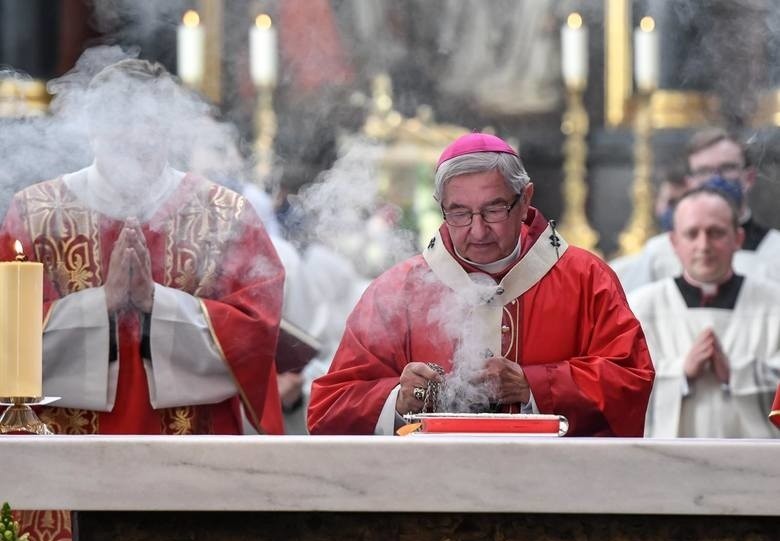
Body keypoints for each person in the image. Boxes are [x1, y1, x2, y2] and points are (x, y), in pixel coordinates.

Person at [0, 58, 285, 436]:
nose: (136, 138)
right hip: (60, 452)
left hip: (194, 455)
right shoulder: (37, 214)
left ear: (170, 130)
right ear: (93, 129)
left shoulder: (223, 216)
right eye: (121, 123)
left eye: (149, 124)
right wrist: (102, 302)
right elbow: (7, 341)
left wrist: (157, 302)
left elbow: (256, 337)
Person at [307, 133, 654, 436]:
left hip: (552, 492)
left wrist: (534, 386)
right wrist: (397, 397)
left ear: (526, 199)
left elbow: (630, 378)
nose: (477, 230)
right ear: (440, 208)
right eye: (459, 213)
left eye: (494, 210)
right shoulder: (399, 291)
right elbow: (328, 408)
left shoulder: (585, 279)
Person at [629, 188, 780, 438]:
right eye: (691, 234)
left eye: (716, 233)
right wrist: (682, 373)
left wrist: (737, 374)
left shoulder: (775, 304)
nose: (704, 245)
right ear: (674, 243)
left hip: (758, 467)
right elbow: (620, 390)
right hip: (668, 467)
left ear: (738, 239)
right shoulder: (640, 308)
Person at [613, 128, 780, 292]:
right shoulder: (661, 253)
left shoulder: (775, 250)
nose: (716, 179)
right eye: (704, 171)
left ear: (748, 177)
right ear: (690, 182)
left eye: (728, 168)